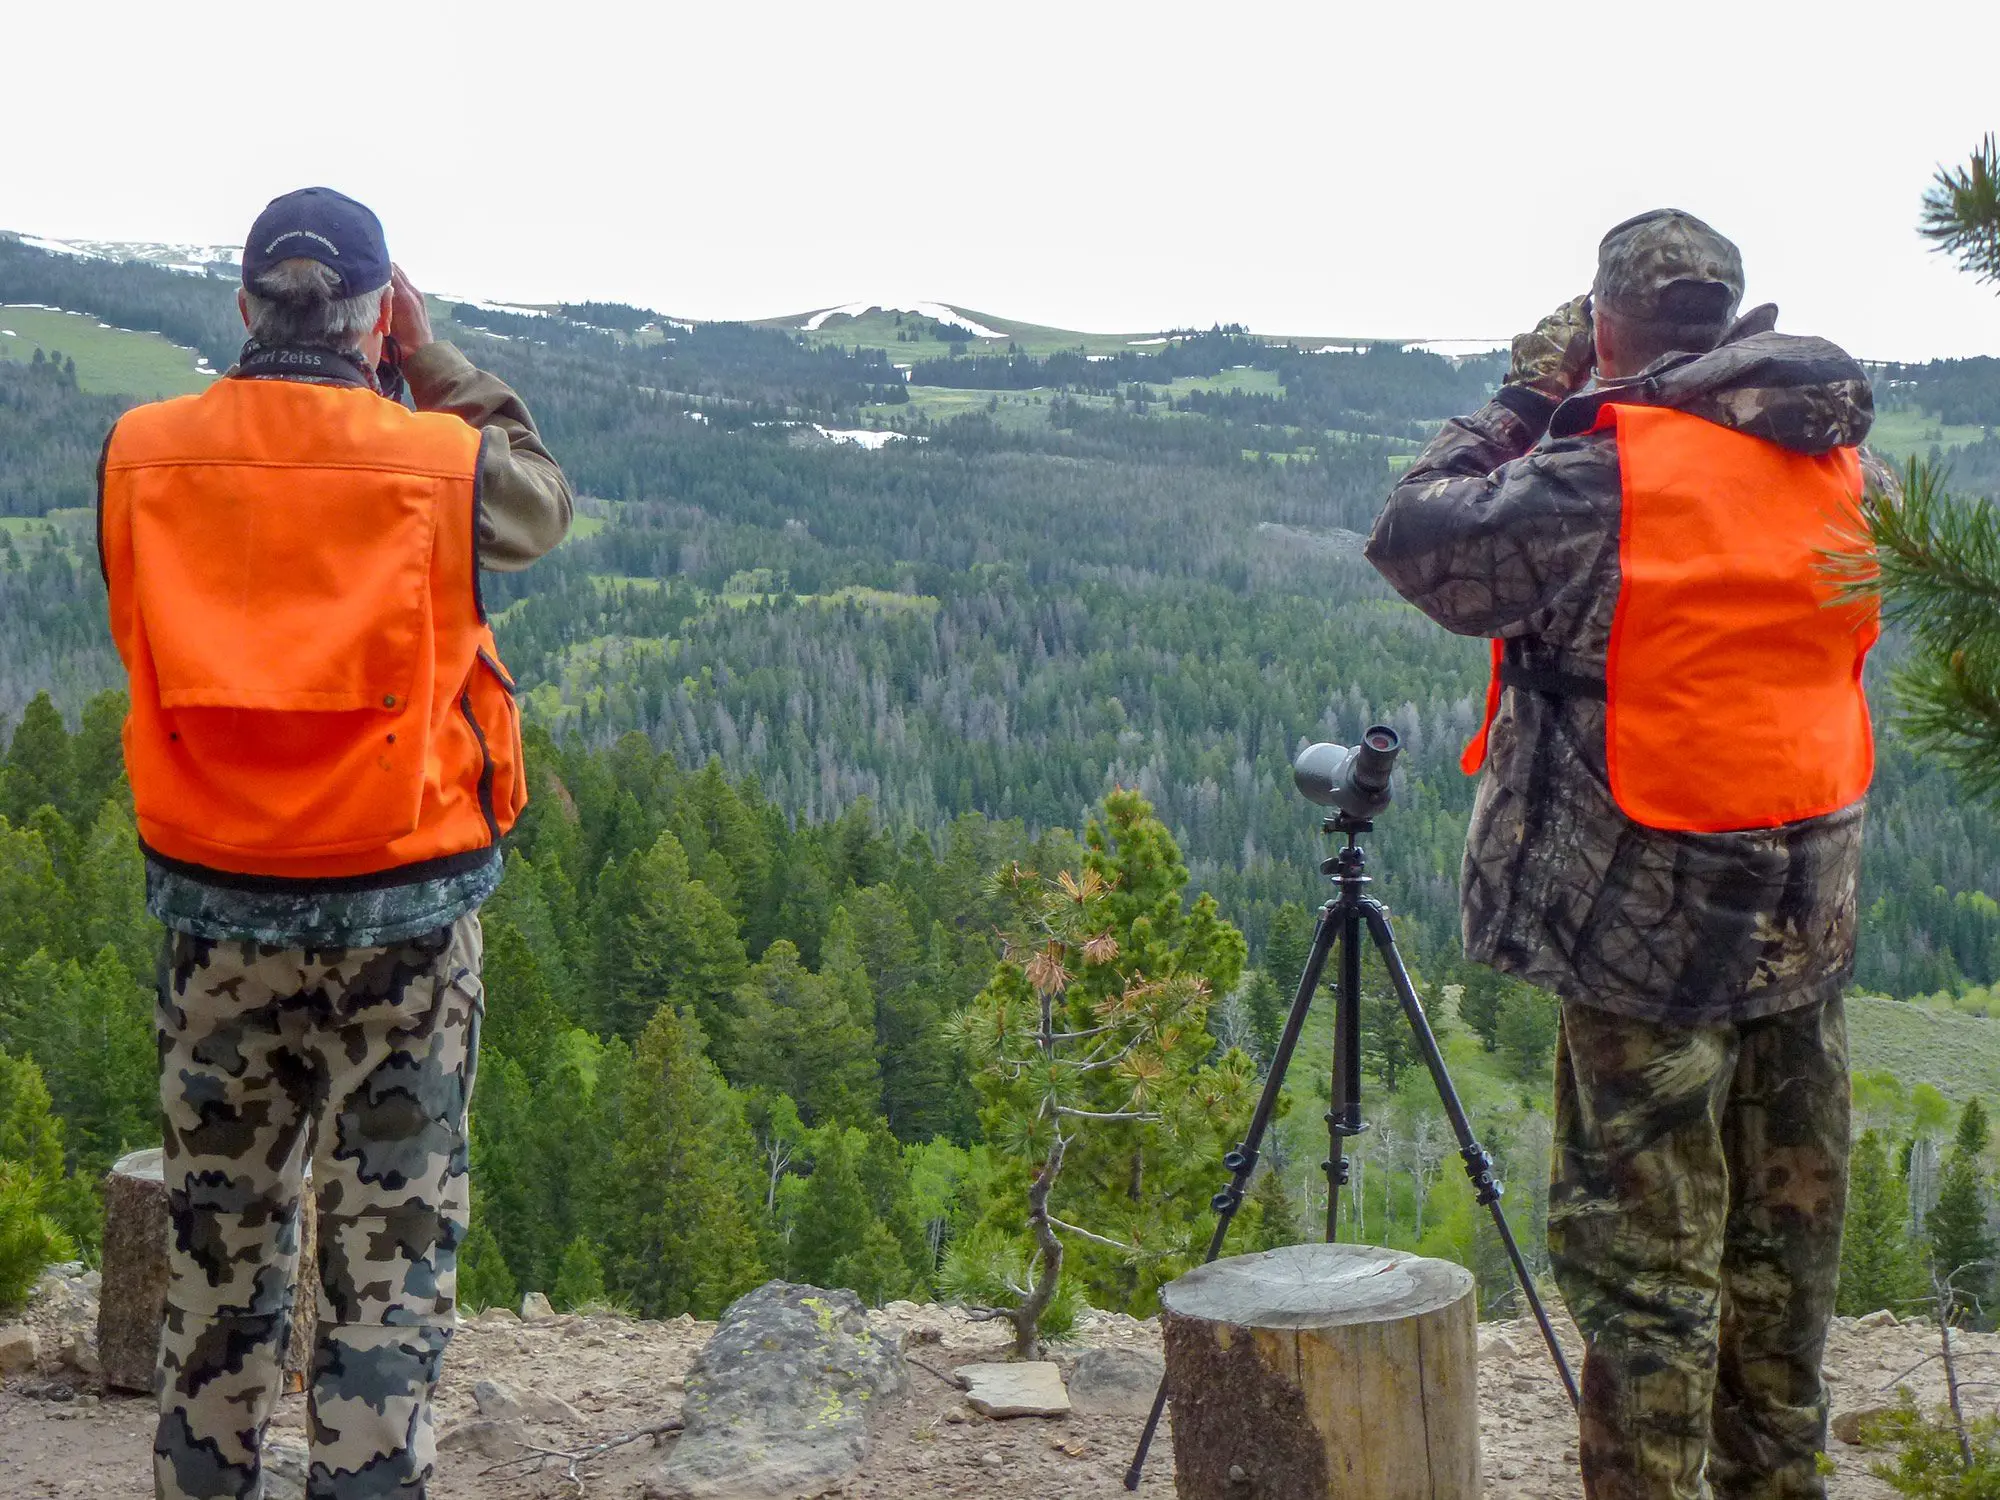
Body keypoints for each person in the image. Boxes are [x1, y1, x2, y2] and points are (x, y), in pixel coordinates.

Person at [1365, 209, 1886, 1500]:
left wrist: (1523, 394)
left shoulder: (1609, 471)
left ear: (1605, 324)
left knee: (1647, 1276)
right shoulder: (1828, 455)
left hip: (1644, 929)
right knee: (1786, 1261)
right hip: (1805, 917)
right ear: (1734, 324)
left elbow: (1418, 539)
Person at [97, 186, 571, 1499]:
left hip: (214, 927)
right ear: (378, 319)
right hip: (405, 928)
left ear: (247, 308)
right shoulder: (442, 462)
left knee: (217, 1260)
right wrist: (435, 363)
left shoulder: (137, 454)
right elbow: (540, 499)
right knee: (389, 1267)